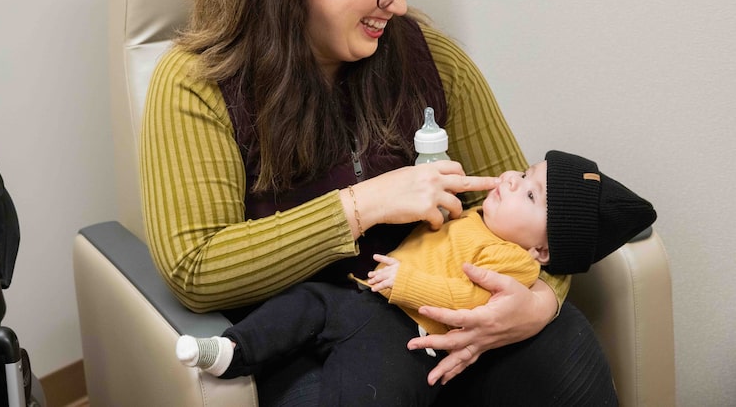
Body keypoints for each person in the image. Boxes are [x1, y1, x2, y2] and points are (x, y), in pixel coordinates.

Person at [140, 0, 619, 404]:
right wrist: (361, 205)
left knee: (568, 355)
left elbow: (536, 217)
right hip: (311, 340)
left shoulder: (431, 59)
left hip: (445, 319)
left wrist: (539, 304)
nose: (400, 5)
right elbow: (195, 268)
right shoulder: (198, 81)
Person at [175, 151, 656, 405]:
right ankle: (233, 350)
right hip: (359, 296)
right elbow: (197, 267)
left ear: (542, 251)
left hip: (406, 333)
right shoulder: (479, 215)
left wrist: (539, 303)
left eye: (530, 194)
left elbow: (465, 297)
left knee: (367, 389)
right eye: (525, 172)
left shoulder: (517, 262)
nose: (509, 178)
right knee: (304, 303)